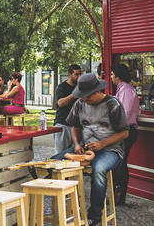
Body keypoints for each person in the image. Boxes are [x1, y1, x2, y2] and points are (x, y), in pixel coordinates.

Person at [52, 73, 129, 225]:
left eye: (87, 96)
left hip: (111, 150)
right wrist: (76, 144)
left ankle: (95, 214)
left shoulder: (113, 104)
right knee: (53, 163)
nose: (84, 99)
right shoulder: (80, 103)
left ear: (98, 92)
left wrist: (103, 144)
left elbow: (125, 133)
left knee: (99, 169)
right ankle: (61, 208)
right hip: (84, 147)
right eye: (82, 96)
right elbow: (75, 127)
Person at [112, 63, 140, 206]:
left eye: (112, 74)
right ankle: (117, 194)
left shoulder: (126, 90)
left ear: (117, 76)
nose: (111, 77)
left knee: (120, 163)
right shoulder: (122, 89)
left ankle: (120, 196)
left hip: (126, 131)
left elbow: (124, 111)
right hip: (123, 131)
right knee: (119, 163)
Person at [53, 64, 82, 155]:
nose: (79, 77)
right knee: (60, 154)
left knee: (75, 154)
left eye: (80, 74)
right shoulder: (61, 87)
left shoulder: (80, 87)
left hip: (77, 126)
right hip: (63, 125)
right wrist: (73, 95)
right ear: (70, 75)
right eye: (76, 74)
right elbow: (60, 103)